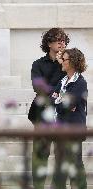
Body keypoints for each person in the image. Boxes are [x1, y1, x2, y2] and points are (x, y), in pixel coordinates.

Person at [27, 28, 70, 189]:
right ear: (49, 43)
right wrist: (57, 88)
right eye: (58, 39)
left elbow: (72, 88)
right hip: (42, 115)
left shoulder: (68, 65)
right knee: (40, 154)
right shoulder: (38, 64)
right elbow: (39, 89)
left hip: (62, 116)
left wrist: (62, 65)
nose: (62, 42)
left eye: (64, 40)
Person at [51, 48, 88, 189]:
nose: (61, 61)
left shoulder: (80, 83)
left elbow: (68, 105)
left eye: (64, 59)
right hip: (59, 129)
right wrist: (60, 102)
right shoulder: (63, 80)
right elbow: (51, 100)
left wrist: (60, 102)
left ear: (72, 62)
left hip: (73, 130)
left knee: (75, 165)